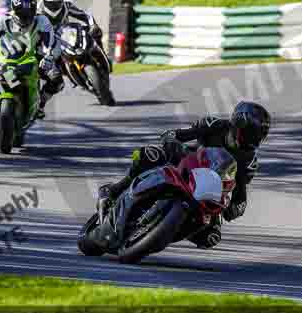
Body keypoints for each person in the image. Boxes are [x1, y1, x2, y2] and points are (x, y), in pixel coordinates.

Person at [96, 101, 271, 251]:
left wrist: (236, 208)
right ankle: (114, 189)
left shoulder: (249, 162)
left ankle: (159, 234)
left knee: (211, 237)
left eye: (259, 135)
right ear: (238, 124)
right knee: (146, 154)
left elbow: (240, 193)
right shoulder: (214, 125)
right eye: (252, 133)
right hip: (185, 164)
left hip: (209, 192)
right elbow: (178, 133)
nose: (254, 139)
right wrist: (171, 140)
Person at [0, 0, 62, 121]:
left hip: (36, 55)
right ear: (14, 11)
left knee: (56, 80)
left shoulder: (42, 20)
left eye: (29, 14)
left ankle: (40, 104)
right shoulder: (4, 20)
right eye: (22, 14)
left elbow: (49, 42)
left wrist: (48, 57)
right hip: (7, 55)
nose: (26, 18)